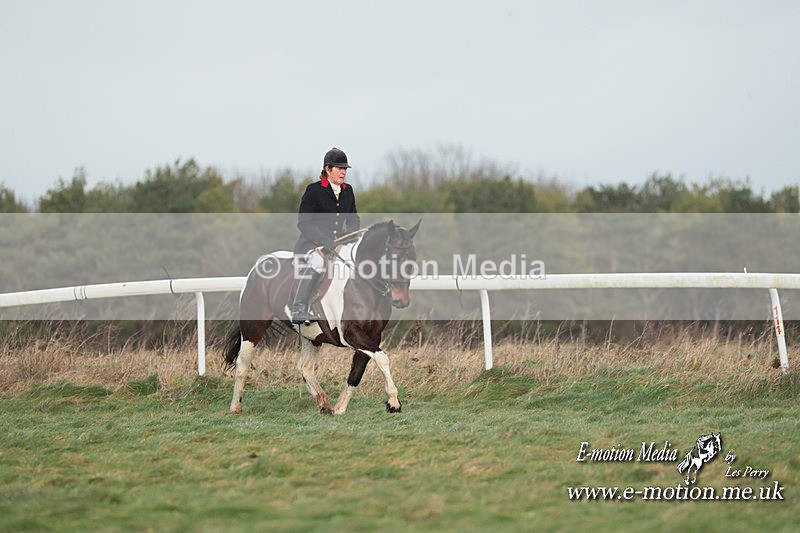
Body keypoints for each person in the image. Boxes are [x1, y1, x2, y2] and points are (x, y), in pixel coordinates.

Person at [290, 147, 361, 324]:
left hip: (337, 243)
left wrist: (351, 234)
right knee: (318, 262)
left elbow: (353, 218)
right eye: (340, 168)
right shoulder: (313, 190)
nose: (344, 172)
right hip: (313, 244)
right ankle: (299, 308)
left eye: (345, 169)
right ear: (328, 169)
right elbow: (303, 222)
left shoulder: (348, 190)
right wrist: (322, 240)